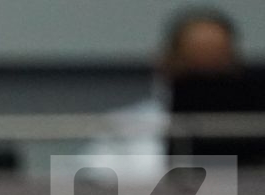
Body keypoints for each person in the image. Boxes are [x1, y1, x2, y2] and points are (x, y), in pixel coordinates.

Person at [82, 7, 242, 175]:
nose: (206, 75)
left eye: (216, 62)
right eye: (193, 62)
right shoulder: (123, 130)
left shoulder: (253, 129)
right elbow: (89, 186)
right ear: (166, 62)